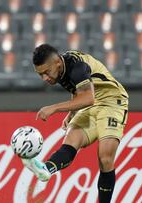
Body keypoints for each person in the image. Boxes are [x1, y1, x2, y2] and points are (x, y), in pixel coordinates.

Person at [22, 44, 129, 203]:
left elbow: (88, 97)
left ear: (57, 62)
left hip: (111, 101)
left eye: (46, 72)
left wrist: (54, 108)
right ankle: (46, 170)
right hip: (90, 103)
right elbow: (79, 90)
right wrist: (71, 113)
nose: (45, 78)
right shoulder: (58, 70)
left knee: (105, 156)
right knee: (71, 140)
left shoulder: (76, 66)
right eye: (40, 74)